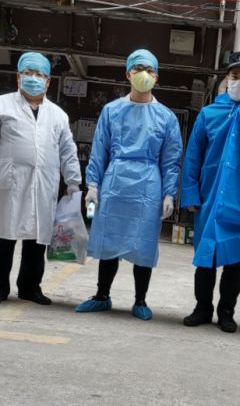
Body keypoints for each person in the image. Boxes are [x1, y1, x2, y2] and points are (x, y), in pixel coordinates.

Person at [75, 49, 182, 321]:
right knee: (108, 238)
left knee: (143, 242)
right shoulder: (112, 111)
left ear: (156, 76)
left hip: (149, 185)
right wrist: (93, 185)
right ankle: (102, 296)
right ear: (128, 74)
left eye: (149, 69)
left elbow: (171, 160)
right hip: (115, 181)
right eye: (138, 69)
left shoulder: (166, 117)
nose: (143, 74)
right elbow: (99, 150)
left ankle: (140, 300)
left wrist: (169, 194)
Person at [0, 52, 81, 306]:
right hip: (10, 182)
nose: (33, 78)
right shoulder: (0, 105)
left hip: (44, 184)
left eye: (39, 74)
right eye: (28, 73)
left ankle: (30, 287)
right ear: (18, 77)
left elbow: (67, 150)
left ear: (48, 82)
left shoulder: (58, 115)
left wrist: (73, 180)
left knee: (36, 241)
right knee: (4, 239)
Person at [181, 51, 240, 333]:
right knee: (206, 258)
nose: (239, 81)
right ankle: (202, 309)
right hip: (209, 197)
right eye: (235, 76)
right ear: (226, 79)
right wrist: (190, 194)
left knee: (233, 260)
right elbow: (193, 156)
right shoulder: (209, 114)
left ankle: (227, 313)